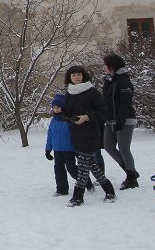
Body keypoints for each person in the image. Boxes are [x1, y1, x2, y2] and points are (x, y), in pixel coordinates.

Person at [63, 65, 116, 206]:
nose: (77, 77)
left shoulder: (91, 92)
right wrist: (67, 116)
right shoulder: (69, 93)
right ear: (69, 78)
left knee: (82, 167)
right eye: (74, 75)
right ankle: (109, 190)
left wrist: (87, 117)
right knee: (93, 166)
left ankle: (78, 197)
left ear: (83, 75)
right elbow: (67, 114)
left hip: (91, 133)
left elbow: (103, 112)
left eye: (79, 74)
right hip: (76, 134)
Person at [101, 53, 140, 189]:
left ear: (111, 66)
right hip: (110, 120)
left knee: (124, 148)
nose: (104, 67)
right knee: (108, 146)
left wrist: (120, 120)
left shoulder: (123, 80)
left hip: (125, 119)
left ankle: (131, 179)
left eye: (105, 64)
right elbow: (105, 101)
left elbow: (126, 102)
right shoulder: (108, 80)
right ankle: (131, 172)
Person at [45, 93, 81, 196]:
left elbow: (75, 136)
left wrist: (77, 150)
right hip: (57, 150)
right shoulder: (53, 121)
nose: (56, 109)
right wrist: (48, 149)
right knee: (58, 169)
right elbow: (50, 135)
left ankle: (85, 182)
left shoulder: (69, 120)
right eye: (54, 107)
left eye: (59, 107)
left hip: (69, 149)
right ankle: (62, 189)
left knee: (72, 168)